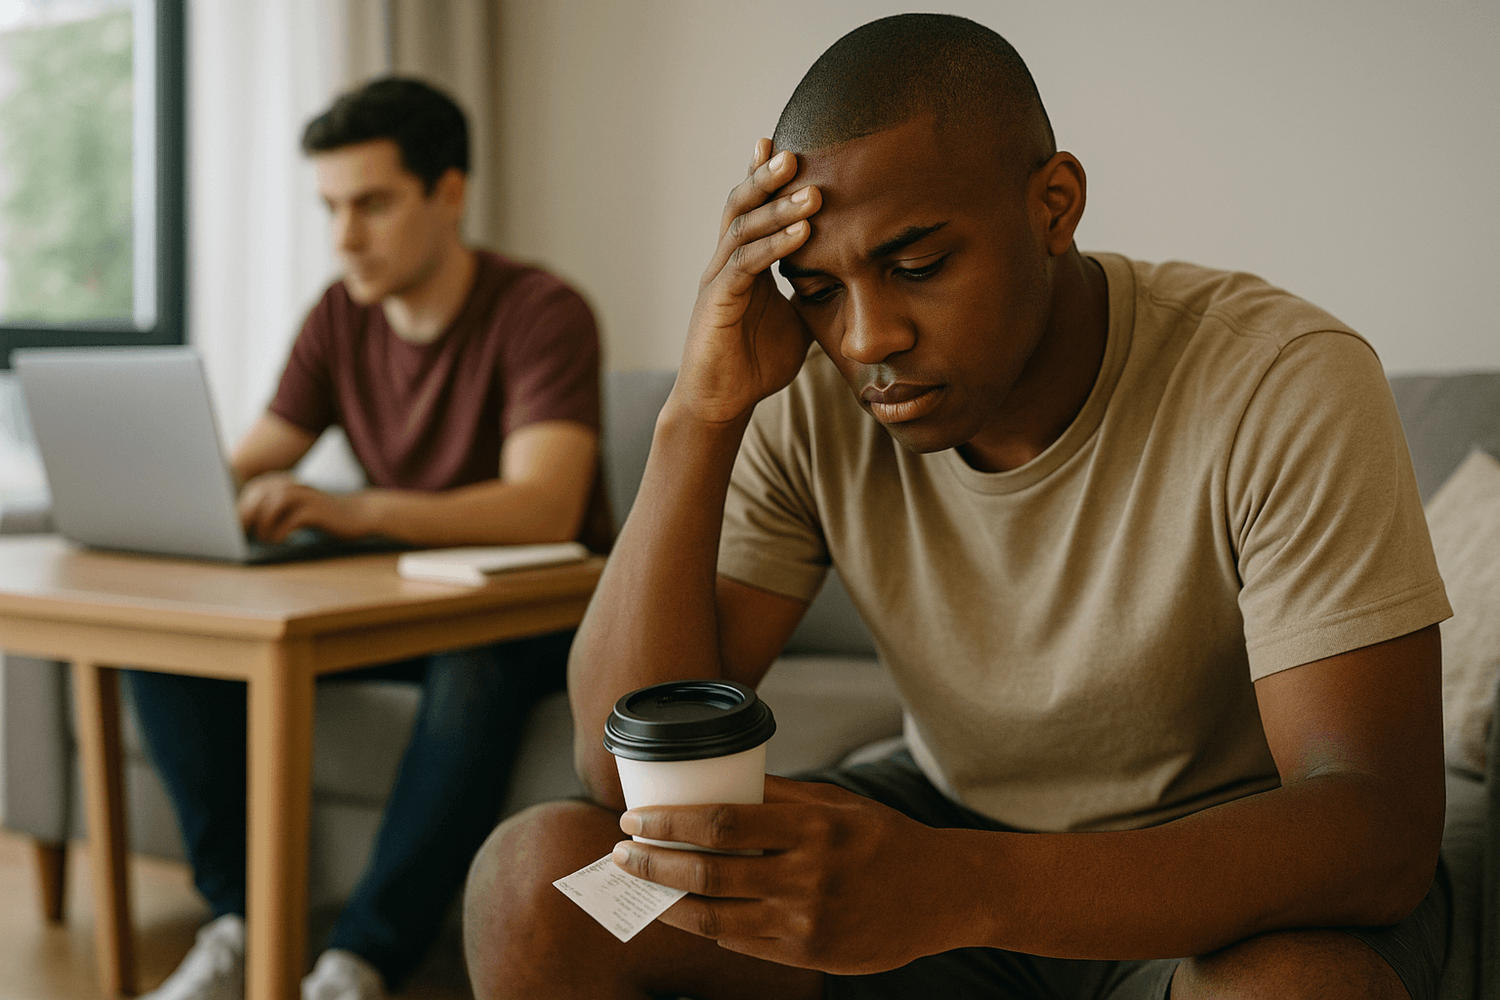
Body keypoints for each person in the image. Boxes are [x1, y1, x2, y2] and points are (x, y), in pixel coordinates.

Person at [462, 13, 1454, 1000]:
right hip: (947, 824)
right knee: (541, 884)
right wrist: (700, 410)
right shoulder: (808, 394)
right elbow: (612, 765)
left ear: (1054, 206)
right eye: (816, 287)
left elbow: (1375, 826)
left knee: (1299, 988)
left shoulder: (1279, 379)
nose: (865, 338)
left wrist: (956, 887)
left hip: (1211, 873)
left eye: (917, 266)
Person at [131, 77, 609, 1000]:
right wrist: (171, 495)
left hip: (539, 608)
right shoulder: (338, 314)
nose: (345, 237)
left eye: (372, 205)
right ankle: (240, 922)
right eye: (331, 209)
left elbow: (542, 507)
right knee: (175, 642)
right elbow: (254, 459)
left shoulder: (543, 311)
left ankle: (360, 962)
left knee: (471, 658)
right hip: (397, 602)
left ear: (450, 194)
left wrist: (353, 508)